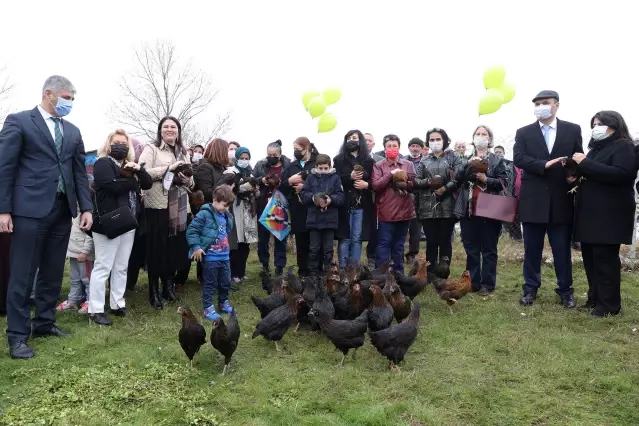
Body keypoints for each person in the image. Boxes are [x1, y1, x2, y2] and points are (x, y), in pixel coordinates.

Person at [0, 75, 93, 359]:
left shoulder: (74, 132)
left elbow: (79, 172)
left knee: (53, 271)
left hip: (62, 209)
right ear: (49, 93)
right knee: (23, 273)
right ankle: (17, 335)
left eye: (73, 100)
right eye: (66, 97)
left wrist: (86, 207)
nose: (69, 103)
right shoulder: (19, 121)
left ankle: (44, 322)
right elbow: (5, 166)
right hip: (28, 209)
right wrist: (3, 209)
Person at [513, 90, 583, 308]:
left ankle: (565, 291)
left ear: (557, 105)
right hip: (533, 199)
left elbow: (577, 157)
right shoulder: (524, 132)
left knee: (561, 249)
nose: (540, 106)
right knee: (531, 249)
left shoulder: (572, 130)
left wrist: (573, 175)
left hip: (560, 199)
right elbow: (519, 158)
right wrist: (543, 165)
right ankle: (530, 289)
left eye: (545, 103)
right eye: (537, 104)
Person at [573, 111, 637, 317]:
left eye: (600, 123)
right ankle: (595, 298)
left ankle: (609, 305)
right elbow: (591, 172)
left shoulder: (624, 146)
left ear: (614, 125)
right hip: (591, 213)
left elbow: (622, 174)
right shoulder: (595, 150)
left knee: (605, 260)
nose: (596, 127)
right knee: (590, 258)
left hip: (610, 214)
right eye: (593, 124)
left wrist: (585, 164)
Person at [88, 129, 153, 325]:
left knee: (121, 266)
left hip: (128, 222)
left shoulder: (129, 166)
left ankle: (117, 303)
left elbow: (147, 183)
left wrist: (139, 170)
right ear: (108, 145)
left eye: (124, 143)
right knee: (103, 266)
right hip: (108, 222)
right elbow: (110, 185)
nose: (120, 146)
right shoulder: (102, 163)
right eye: (116, 142)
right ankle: (96, 309)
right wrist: (131, 181)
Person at [138, 116, 194, 309]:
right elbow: (142, 173)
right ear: (160, 130)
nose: (170, 129)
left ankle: (167, 286)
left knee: (174, 249)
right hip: (158, 206)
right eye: (166, 126)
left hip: (179, 206)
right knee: (157, 249)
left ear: (178, 131)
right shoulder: (151, 149)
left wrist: (187, 180)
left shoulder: (183, 152)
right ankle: (153, 290)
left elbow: (191, 181)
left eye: (173, 127)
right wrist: (168, 169)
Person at [454, 126, 508, 296]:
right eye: (478, 134)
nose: (481, 136)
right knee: (471, 248)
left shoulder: (497, 160)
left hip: (489, 211)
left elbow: (504, 183)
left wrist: (487, 179)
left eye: (484, 134)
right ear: (473, 137)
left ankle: (487, 284)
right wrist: (466, 167)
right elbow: (456, 180)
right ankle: (473, 282)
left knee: (489, 249)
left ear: (490, 139)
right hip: (469, 210)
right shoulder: (465, 159)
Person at [414, 128, 462, 272]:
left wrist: (445, 188)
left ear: (444, 140)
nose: (435, 142)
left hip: (447, 205)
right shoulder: (424, 160)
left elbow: (459, 178)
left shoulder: (453, 158)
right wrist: (429, 182)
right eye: (432, 140)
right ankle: (430, 272)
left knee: (445, 240)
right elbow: (416, 180)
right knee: (431, 241)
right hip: (427, 205)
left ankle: (443, 272)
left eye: (438, 139)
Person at [187, 185, 235, 322]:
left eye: (228, 206)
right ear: (215, 199)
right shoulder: (204, 214)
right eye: (224, 205)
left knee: (225, 282)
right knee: (210, 284)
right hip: (211, 257)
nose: (226, 209)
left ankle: (223, 302)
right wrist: (196, 246)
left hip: (224, 256)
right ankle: (208, 307)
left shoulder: (226, 215)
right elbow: (192, 231)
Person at [371, 134, 415, 272]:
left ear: (399, 147)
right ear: (384, 148)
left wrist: (404, 183)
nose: (392, 148)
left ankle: (398, 272)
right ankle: (381, 273)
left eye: (394, 146)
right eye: (389, 146)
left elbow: (414, 184)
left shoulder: (408, 164)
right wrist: (391, 174)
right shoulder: (378, 166)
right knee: (384, 243)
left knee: (399, 244)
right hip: (386, 211)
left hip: (404, 210)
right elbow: (376, 185)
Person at [334, 130, 375, 267]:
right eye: (349, 138)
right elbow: (335, 180)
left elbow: (374, 181)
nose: (351, 140)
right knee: (344, 237)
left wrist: (366, 185)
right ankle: (343, 267)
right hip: (345, 203)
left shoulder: (368, 160)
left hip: (362, 204)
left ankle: (354, 269)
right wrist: (349, 177)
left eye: (355, 138)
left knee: (357, 238)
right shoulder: (339, 159)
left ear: (360, 140)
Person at [280, 137, 319, 277]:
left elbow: (326, 183)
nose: (295, 151)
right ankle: (302, 272)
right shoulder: (292, 166)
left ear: (307, 148)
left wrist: (305, 187)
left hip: (315, 209)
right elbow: (281, 187)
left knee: (314, 244)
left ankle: (315, 272)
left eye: (298, 149)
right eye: (294, 149)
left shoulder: (317, 163)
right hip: (297, 209)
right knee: (301, 243)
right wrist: (289, 182)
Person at [253, 140, 291, 279]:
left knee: (280, 238)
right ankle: (264, 265)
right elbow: (253, 180)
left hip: (280, 206)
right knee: (263, 240)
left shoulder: (288, 166)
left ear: (280, 154)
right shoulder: (260, 165)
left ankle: (279, 267)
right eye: (269, 154)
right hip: (264, 205)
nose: (271, 157)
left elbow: (290, 184)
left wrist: (281, 183)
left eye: (274, 154)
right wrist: (262, 180)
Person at [301, 154, 345, 274]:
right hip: (314, 220)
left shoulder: (335, 178)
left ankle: (327, 274)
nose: (323, 171)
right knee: (314, 249)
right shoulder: (310, 178)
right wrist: (314, 198)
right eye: (321, 168)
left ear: (330, 167)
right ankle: (313, 275)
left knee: (328, 250)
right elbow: (304, 195)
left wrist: (331, 200)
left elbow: (341, 197)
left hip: (330, 220)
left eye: (326, 168)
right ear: (316, 167)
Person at [56, 196, 95, 314]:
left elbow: (90, 237)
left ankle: (90, 301)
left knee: (87, 279)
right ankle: (73, 300)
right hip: (73, 253)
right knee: (74, 278)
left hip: (84, 256)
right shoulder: (74, 213)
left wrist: (84, 252)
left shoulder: (88, 215)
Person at [229, 146, 259, 284]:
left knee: (246, 244)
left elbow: (257, 193)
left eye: (247, 158)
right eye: (242, 158)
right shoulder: (231, 172)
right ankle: (233, 273)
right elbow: (230, 189)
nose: (244, 161)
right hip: (235, 209)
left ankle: (241, 272)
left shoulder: (251, 174)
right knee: (236, 243)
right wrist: (246, 188)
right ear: (237, 158)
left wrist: (255, 190)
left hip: (248, 211)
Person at [405, 137, 425, 263]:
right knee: (401, 227)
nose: (415, 148)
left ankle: (412, 254)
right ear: (409, 148)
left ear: (421, 148)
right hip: (403, 196)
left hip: (419, 197)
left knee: (416, 229)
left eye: (418, 146)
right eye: (413, 146)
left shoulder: (426, 161)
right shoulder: (403, 160)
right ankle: (396, 254)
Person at [364, 132, 382, 268]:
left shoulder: (380, 159)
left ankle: (372, 255)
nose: (367, 142)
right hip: (358, 198)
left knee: (375, 228)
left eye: (370, 140)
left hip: (375, 198)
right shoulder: (355, 159)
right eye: (365, 140)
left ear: (374, 144)